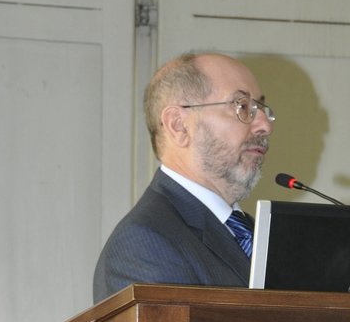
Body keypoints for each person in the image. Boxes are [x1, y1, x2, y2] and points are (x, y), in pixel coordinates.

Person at [93, 51, 274, 301]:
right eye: (242, 106)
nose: (265, 125)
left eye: (261, 108)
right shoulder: (144, 243)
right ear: (178, 125)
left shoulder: (255, 234)